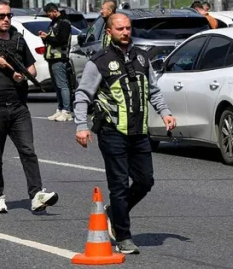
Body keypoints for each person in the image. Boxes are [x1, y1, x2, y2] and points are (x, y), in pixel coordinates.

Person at [73, 13, 177, 255]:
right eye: (120, 28)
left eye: (128, 28)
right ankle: (123, 236)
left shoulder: (141, 57)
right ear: (109, 32)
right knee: (119, 185)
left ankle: (114, 212)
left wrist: (165, 112)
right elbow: (82, 95)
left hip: (139, 131)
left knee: (145, 181)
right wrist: (81, 126)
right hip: (112, 131)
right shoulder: (98, 61)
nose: (125, 32)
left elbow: (152, 89)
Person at [0, 0, 59, 214]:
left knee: (28, 150)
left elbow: (32, 69)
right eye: (1, 16)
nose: (6, 19)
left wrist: (21, 76)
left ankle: (36, 194)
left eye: (9, 15)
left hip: (18, 106)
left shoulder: (17, 38)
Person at [38, 3, 74, 122]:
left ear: (54, 11)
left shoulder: (64, 22)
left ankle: (67, 111)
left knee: (62, 85)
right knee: (57, 85)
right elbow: (53, 39)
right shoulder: (54, 22)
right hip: (52, 57)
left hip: (60, 57)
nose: (48, 16)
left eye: (48, 13)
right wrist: (46, 37)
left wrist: (47, 38)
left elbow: (61, 40)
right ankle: (60, 109)